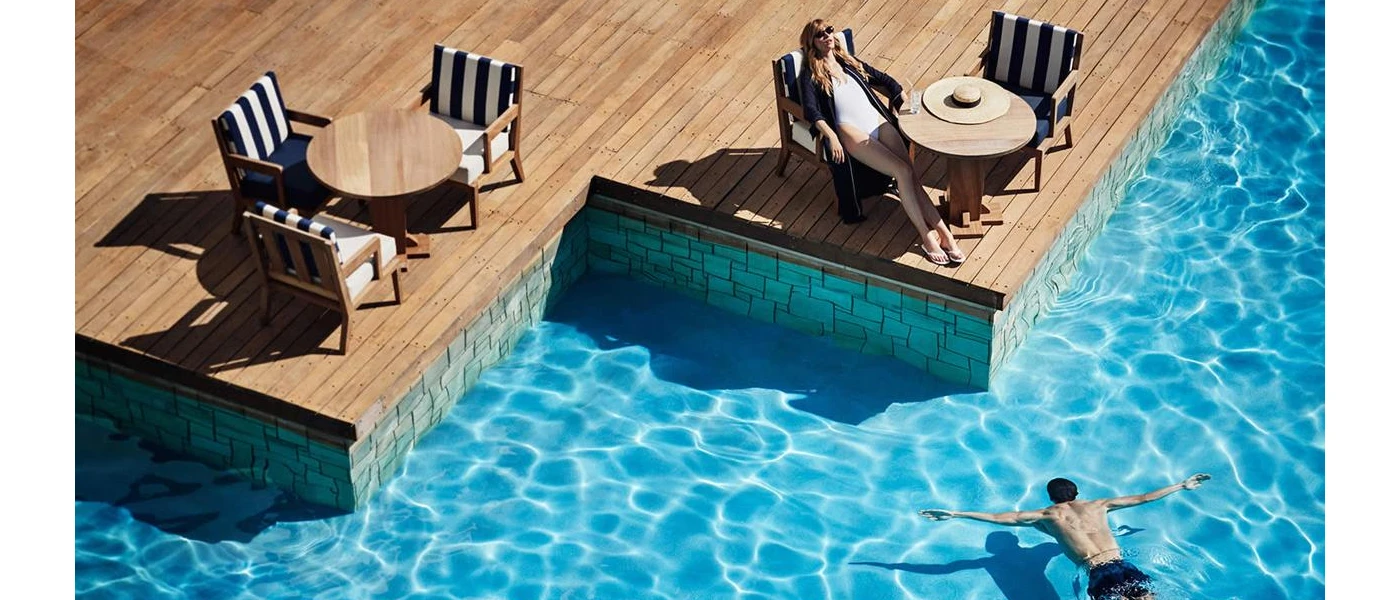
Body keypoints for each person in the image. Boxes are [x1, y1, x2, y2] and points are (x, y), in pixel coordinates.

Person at [797, 19, 966, 266]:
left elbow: (886, 81)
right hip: (850, 130)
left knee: (910, 173)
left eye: (829, 31)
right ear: (812, 42)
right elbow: (811, 111)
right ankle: (926, 236)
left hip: (875, 121)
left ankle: (945, 234)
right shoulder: (811, 74)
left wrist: (904, 103)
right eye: (820, 34)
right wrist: (831, 136)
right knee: (902, 171)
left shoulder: (848, 62)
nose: (827, 36)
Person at [919, 473, 1212, 600]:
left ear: (1051, 498)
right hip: (1122, 564)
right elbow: (1144, 497)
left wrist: (956, 514)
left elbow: (999, 518)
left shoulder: (1047, 516)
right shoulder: (1099, 505)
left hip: (1096, 572)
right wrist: (1182, 485)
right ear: (1077, 494)